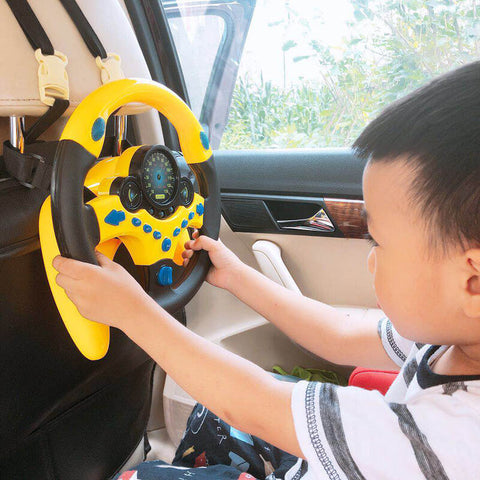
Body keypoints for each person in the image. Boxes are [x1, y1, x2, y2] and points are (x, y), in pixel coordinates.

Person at [53, 61, 480, 480]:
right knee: (209, 416)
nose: (371, 257)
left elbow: (252, 402)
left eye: (378, 242)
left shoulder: (458, 440)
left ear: (473, 281)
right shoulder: (447, 338)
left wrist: (131, 312)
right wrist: (237, 276)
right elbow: (338, 333)